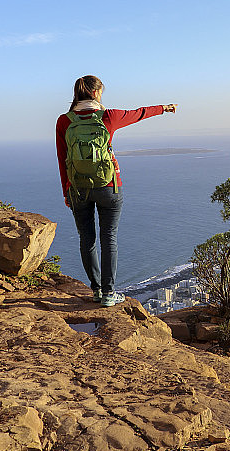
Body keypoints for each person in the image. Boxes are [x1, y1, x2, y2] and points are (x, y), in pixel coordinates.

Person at [55, 75, 177, 306]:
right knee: (108, 237)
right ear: (96, 93)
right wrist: (164, 108)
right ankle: (109, 293)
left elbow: (62, 159)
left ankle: (96, 290)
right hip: (109, 186)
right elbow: (139, 113)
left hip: (78, 188)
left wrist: (66, 191)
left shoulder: (64, 121)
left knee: (86, 239)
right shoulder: (108, 116)